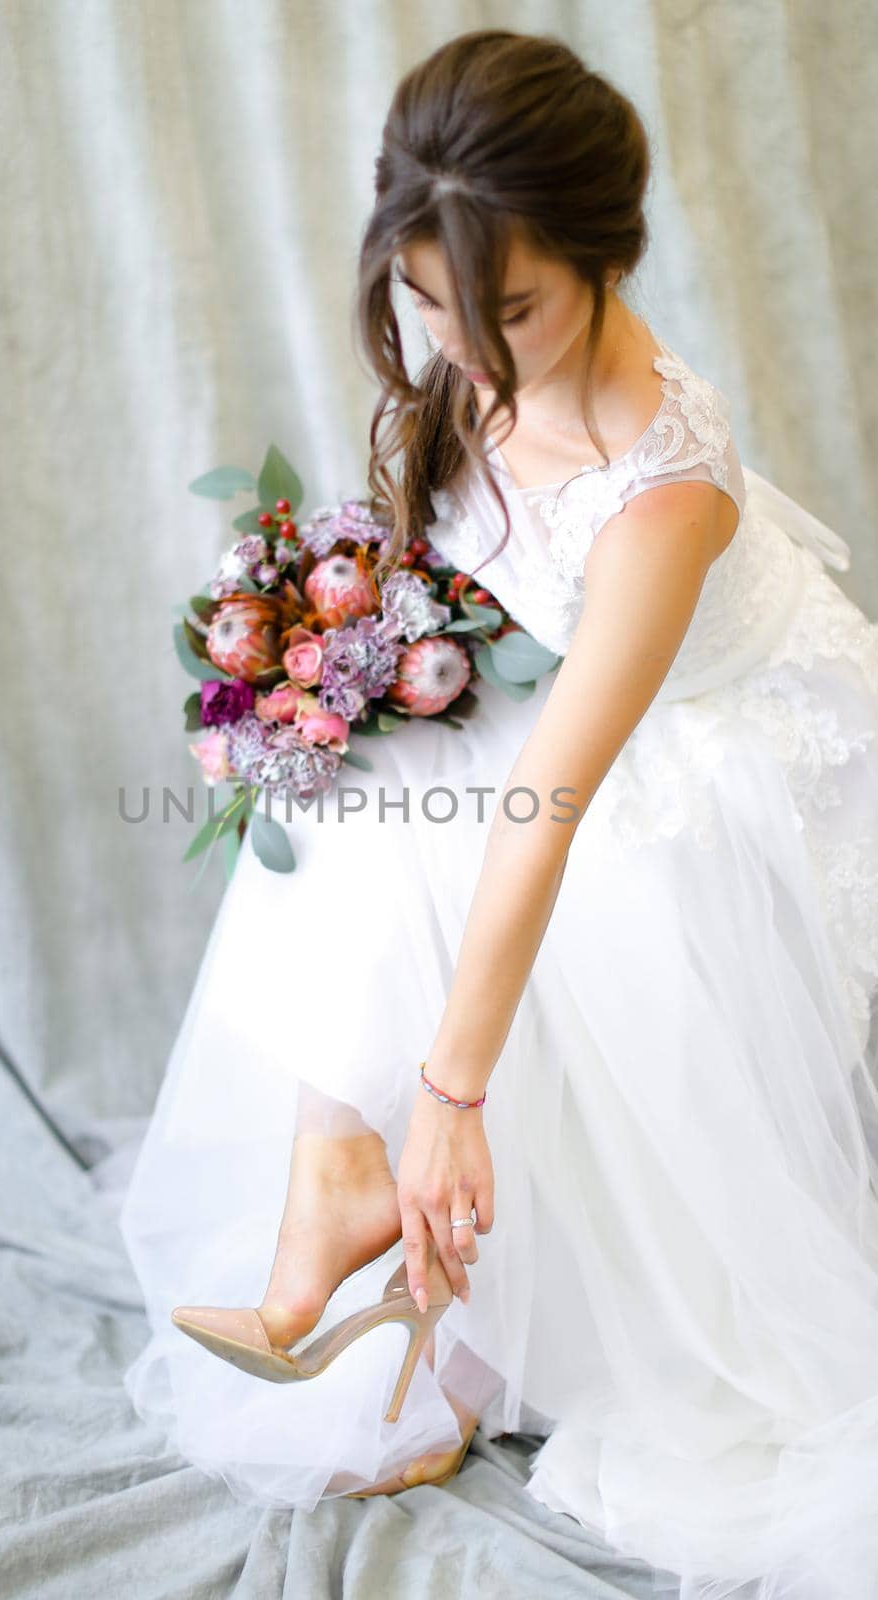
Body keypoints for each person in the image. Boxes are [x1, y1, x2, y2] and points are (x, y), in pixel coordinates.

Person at [117, 28, 878, 1599]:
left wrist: (448, 1098)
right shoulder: (475, 352)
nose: (468, 351)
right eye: (430, 306)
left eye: (511, 310)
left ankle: (407, 1242)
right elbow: (462, 601)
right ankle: (365, 1210)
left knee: (446, 842)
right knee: (364, 780)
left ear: (610, 253)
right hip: (565, 738)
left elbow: (556, 807)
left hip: (706, 776)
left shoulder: (667, 489)